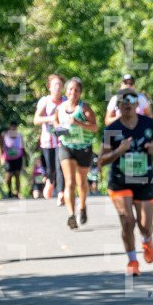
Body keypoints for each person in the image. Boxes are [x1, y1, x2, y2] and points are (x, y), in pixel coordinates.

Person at [99, 89, 153, 274]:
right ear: (118, 106)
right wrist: (119, 151)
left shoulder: (148, 124)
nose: (127, 103)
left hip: (144, 181)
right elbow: (101, 160)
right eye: (123, 100)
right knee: (128, 222)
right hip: (120, 181)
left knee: (145, 226)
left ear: (137, 104)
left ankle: (147, 240)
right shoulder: (112, 129)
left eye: (131, 100)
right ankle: (133, 261)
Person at [54, 77, 98, 229]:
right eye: (70, 89)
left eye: (76, 90)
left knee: (81, 181)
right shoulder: (60, 108)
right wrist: (59, 128)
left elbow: (94, 127)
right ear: (66, 91)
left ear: (80, 92)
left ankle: (82, 206)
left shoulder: (84, 108)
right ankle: (71, 215)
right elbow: (55, 122)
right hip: (67, 147)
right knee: (70, 182)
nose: (73, 92)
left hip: (84, 148)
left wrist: (78, 123)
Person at [33, 75, 65, 203]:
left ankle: (61, 193)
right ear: (49, 87)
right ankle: (50, 181)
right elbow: (36, 120)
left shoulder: (65, 101)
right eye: (54, 85)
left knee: (60, 166)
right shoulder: (45, 101)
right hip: (48, 140)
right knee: (51, 168)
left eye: (59, 85)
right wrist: (50, 118)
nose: (57, 87)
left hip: (62, 140)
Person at [0, 123, 26, 198]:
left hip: (18, 158)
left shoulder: (19, 135)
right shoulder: (4, 135)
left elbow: (23, 147)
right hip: (8, 159)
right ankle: (9, 191)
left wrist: (25, 157)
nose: (13, 129)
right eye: (12, 128)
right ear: (9, 128)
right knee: (8, 176)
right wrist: (1, 157)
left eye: (15, 128)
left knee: (17, 175)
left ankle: (17, 192)